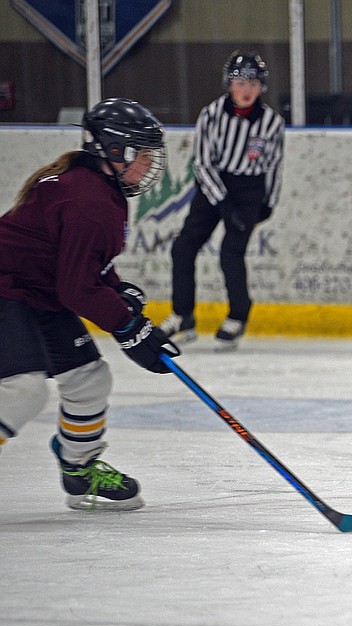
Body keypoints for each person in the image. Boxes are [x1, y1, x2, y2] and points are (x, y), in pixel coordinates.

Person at [0, 97, 181, 511]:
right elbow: (77, 290)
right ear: (115, 151)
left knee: (89, 380)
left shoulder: (95, 186)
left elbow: (80, 267)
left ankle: (80, 471)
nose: (150, 164)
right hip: (7, 291)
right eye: (144, 154)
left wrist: (116, 292)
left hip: (36, 293)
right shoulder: (89, 200)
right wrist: (130, 328)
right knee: (23, 392)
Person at [160, 50, 285, 351]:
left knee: (231, 253)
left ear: (261, 87)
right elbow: (202, 163)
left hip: (249, 191)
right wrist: (222, 202)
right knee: (183, 247)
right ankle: (183, 315)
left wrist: (268, 203)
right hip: (213, 185)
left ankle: (238, 315)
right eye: (240, 82)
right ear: (229, 84)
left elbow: (274, 165)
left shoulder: (271, 122)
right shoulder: (210, 115)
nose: (246, 90)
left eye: (253, 83)